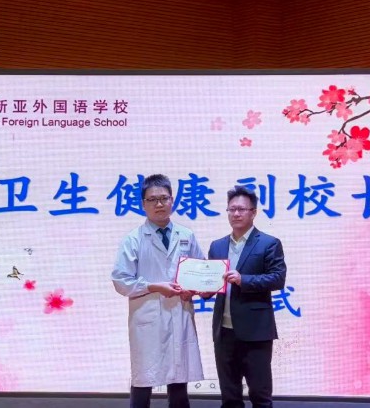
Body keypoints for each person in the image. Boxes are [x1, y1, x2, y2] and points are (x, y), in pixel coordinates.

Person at [112, 174, 204, 408]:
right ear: (143, 204)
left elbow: (201, 270)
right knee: (143, 380)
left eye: (164, 198)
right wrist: (154, 286)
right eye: (152, 200)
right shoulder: (133, 239)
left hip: (179, 314)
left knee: (179, 382)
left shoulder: (186, 235)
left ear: (172, 200)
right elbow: (121, 281)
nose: (159, 204)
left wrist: (194, 289)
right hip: (148, 317)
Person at [207, 185, 286, 408]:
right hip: (224, 332)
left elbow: (277, 278)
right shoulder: (217, 246)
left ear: (253, 212)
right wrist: (200, 289)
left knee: (260, 395)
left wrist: (244, 280)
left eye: (241, 209)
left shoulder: (269, 243)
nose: (236, 214)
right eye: (231, 209)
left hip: (256, 332)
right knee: (229, 396)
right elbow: (211, 281)